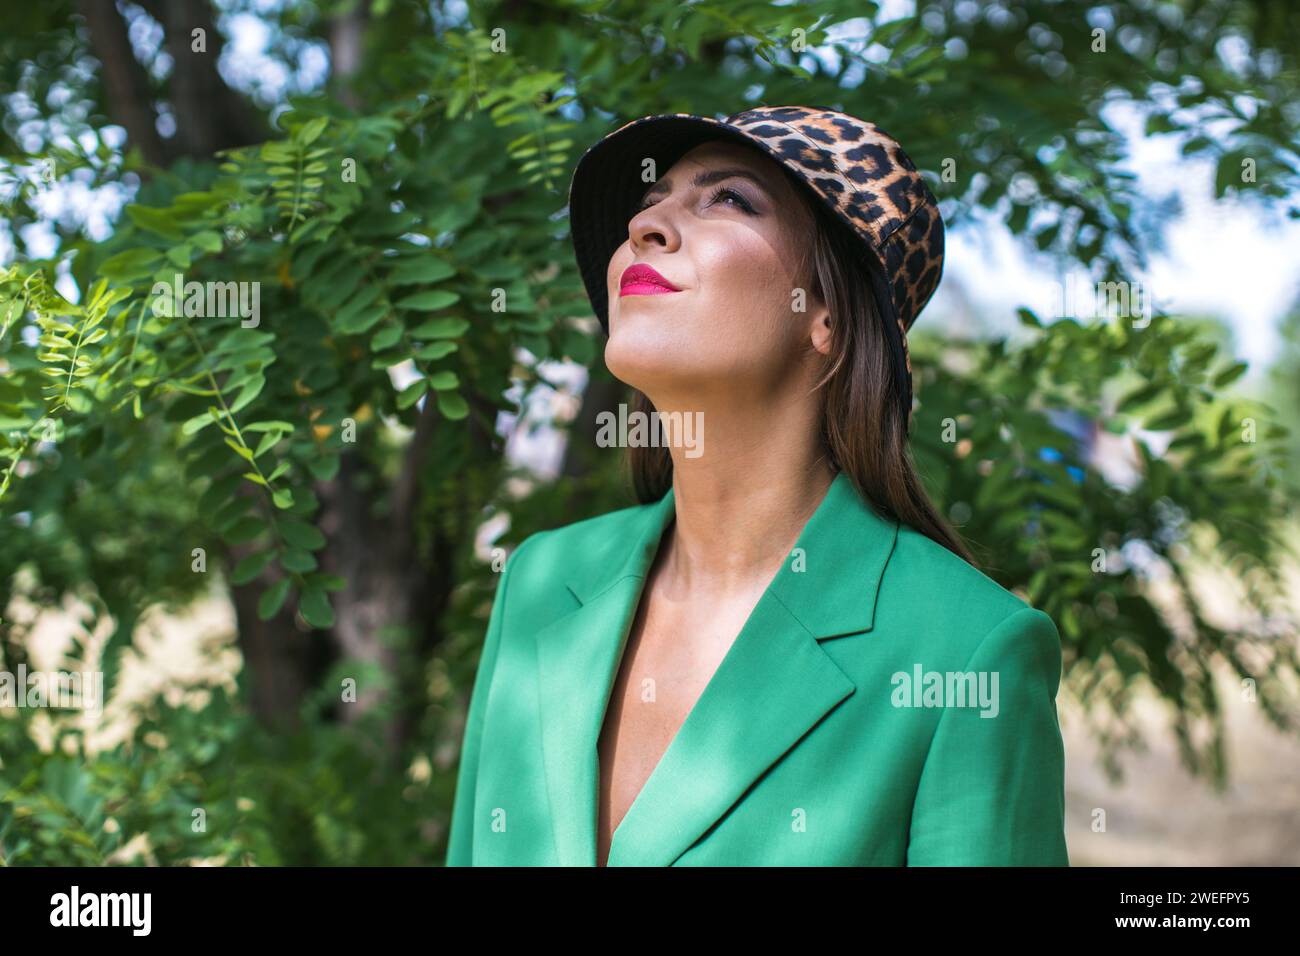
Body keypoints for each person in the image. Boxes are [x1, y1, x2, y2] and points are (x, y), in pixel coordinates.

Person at [446, 105, 1069, 867]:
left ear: (829, 316)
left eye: (728, 200)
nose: (649, 226)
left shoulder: (968, 651)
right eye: (649, 205)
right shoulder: (540, 582)